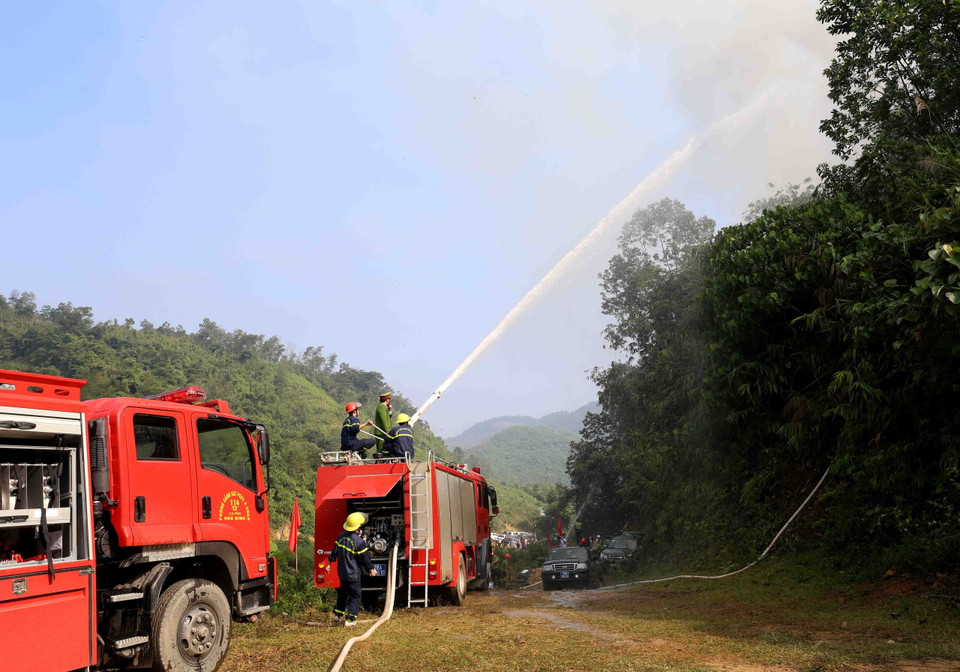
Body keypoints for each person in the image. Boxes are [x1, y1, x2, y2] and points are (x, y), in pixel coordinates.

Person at [329, 511, 377, 627]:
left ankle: (337, 616)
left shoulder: (341, 536)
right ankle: (350, 619)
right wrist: (371, 569)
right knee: (355, 595)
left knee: (343, 593)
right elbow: (364, 558)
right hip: (353, 574)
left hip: (342, 572)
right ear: (358, 527)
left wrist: (330, 562)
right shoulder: (359, 542)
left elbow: (335, 550)